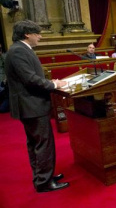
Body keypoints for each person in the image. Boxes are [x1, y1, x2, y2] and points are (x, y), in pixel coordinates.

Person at [5, 20, 69, 192]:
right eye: (38, 33)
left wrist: (49, 82)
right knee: (42, 144)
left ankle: (43, 176)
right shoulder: (18, 51)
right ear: (27, 34)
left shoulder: (20, 49)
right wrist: (55, 85)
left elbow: (30, 76)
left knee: (36, 143)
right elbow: (30, 79)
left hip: (30, 105)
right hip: (31, 105)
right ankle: (44, 182)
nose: (40, 37)